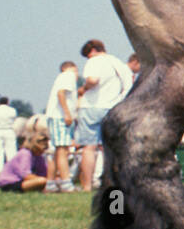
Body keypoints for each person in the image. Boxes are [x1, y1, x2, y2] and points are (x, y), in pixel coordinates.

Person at [75, 39, 133, 191]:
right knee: (110, 148)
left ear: (92, 51)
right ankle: (111, 183)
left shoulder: (94, 62)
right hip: (114, 108)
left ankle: (87, 185)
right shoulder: (119, 64)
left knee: (89, 147)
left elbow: (93, 80)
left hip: (93, 106)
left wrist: (83, 88)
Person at [45, 61, 79, 192]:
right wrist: (67, 113)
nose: (77, 74)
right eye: (76, 71)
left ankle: (50, 183)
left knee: (59, 151)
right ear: (71, 68)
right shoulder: (68, 76)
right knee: (62, 150)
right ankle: (66, 183)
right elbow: (61, 93)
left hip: (57, 116)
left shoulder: (63, 77)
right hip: (60, 117)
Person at [0, 126, 50, 193]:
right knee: (42, 181)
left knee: (46, 181)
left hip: (22, 181)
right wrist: (47, 181)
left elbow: (44, 172)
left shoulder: (38, 156)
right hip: (10, 183)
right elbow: (26, 175)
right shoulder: (25, 154)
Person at [0, 96, 18, 174]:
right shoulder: (12, 111)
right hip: (9, 130)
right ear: (7, 102)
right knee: (11, 150)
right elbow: (14, 119)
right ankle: (12, 168)